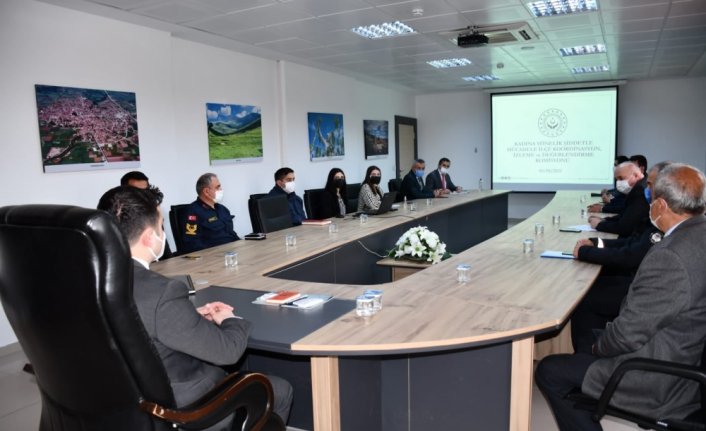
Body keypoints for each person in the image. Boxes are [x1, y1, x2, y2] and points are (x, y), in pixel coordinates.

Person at [97, 186, 293, 428]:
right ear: (149, 237)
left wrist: (185, 316)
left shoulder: (82, 279)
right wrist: (231, 319)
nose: (163, 233)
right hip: (180, 408)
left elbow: (132, 324)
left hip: (110, 403)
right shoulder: (162, 292)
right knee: (280, 389)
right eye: (161, 226)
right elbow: (228, 351)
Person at [536, 163, 706, 431]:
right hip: (684, 350)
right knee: (587, 334)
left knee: (549, 371)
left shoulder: (670, 257)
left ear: (661, 206)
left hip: (658, 376)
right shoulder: (699, 233)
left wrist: (598, 348)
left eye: (651, 198)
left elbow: (628, 334)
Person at [569, 162, 670, 354]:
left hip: (640, 289)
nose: (646, 189)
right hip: (638, 280)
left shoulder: (660, 216)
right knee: (587, 286)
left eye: (650, 184)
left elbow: (631, 254)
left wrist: (586, 252)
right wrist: (596, 243)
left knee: (584, 297)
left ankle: (587, 356)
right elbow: (632, 241)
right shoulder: (659, 213)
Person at [588, 162, 649, 238]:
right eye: (617, 179)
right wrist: (604, 220)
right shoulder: (640, 186)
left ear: (635, 175)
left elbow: (625, 227)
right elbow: (625, 215)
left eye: (621, 178)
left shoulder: (640, 190)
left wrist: (599, 225)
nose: (618, 182)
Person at [181, 173, 239, 254]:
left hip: (231, 252)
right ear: (206, 191)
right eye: (217, 187)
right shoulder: (193, 212)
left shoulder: (223, 209)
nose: (221, 189)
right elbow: (192, 244)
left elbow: (231, 234)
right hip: (212, 257)